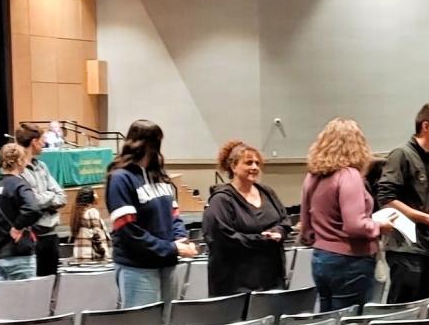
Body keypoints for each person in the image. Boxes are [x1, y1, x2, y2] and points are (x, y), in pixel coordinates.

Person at [299, 118, 394, 311]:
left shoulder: (312, 176)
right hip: (350, 262)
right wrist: (379, 226)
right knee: (350, 324)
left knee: (328, 324)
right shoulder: (349, 175)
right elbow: (354, 225)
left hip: (321, 260)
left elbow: (306, 228)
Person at [377, 102, 429, 303]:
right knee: (402, 313)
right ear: (425, 126)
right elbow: (387, 199)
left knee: (422, 309)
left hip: (427, 247)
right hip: (405, 247)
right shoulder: (401, 154)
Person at [108, 120, 195, 306]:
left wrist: (180, 239)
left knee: (167, 323)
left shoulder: (159, 176)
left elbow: (174, 215)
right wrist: (171, 248)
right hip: (138, 268)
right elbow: (128, 230)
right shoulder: (120, 179)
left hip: (167, 264)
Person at [204, 140, 290, 295]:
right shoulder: (221, 199)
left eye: (257, 163)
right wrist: (263, 239)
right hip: (236, 282)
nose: (255, 167)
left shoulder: (267, 192)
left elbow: (284, 220)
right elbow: (223, 238)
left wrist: (278, 232)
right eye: (249, 163)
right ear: (234, 166)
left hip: (271, 276)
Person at [0, 144, 43, 280]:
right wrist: (17, 227)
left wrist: (0, 231)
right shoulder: (19, 184)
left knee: (5, 300)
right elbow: (33, 208)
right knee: (24, 299)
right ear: (20, 161)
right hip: (19, 255)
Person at [16, 123, 67, 277]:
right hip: (31, 236)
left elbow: (62, 196)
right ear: (34, 142)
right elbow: (31, 202)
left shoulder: (42, 166)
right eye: (43, 139)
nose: (45, 143)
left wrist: (45, 197)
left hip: (50, 234)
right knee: (34, 288)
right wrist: (50, 197)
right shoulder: (18, 169)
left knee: (52, 285)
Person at [70, 187, 112, 263]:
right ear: (91, 197)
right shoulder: (92, 212)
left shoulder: (77, 213)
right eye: (95, 194)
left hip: (80, 254)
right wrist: (102, 252)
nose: (97, 196)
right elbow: (96, 235)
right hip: (93, 256)